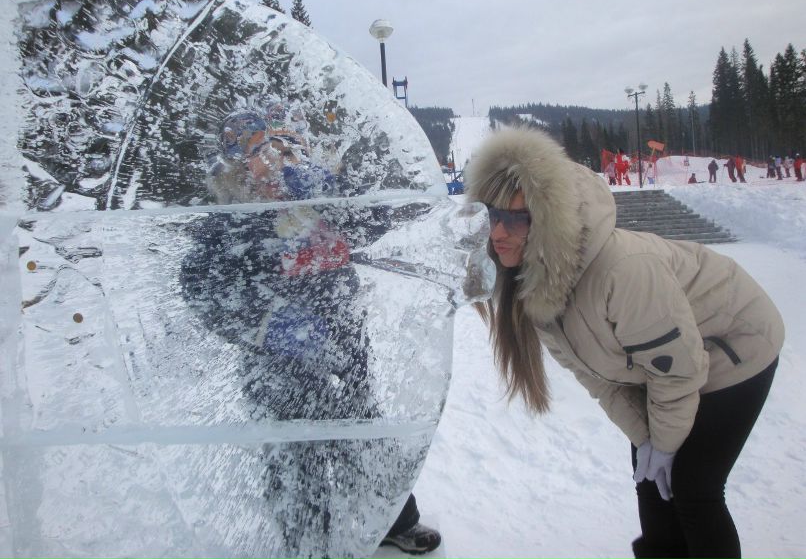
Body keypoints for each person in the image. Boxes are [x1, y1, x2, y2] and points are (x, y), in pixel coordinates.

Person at [465, 127, 784, 559]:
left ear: (548, 224)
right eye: (491, 216)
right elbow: (594, 374)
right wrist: (647, 440)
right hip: (669, 362)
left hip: (734, 340)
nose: (498, 233)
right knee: (650, 480)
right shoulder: (536, 285)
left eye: (516, 218)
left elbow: (681, 371)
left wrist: (666, 444)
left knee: (693, 486)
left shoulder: (622, 271)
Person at [183, 108, 441, 556]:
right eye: (264, 152)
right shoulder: (233, 217)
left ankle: (395, 520)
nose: (279, 161)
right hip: (277, 359)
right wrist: (268, 323)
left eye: (289, 149)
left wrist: (335, 194)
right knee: (293, 453)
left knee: (364, 431)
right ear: (241, 164)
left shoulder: (320, 201)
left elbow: (378, 221)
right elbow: (200, 284)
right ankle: (307, 544)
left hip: (344, 338)